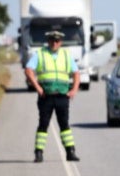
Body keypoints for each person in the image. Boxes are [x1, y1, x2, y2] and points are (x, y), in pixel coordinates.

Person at [24, 30, 81, 163]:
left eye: (57, 41)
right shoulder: (40, 54)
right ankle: (39, 152)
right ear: (48, 41)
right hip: (46, 96)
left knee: (64, 125)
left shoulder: (66, 55)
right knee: (43, 124)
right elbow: (28, 70)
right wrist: (37, 87)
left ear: (61, 42)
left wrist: (74, 90)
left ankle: (70, 152)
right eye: (51, 40)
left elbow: (76, 73)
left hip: (62, 96)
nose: (54, 43)